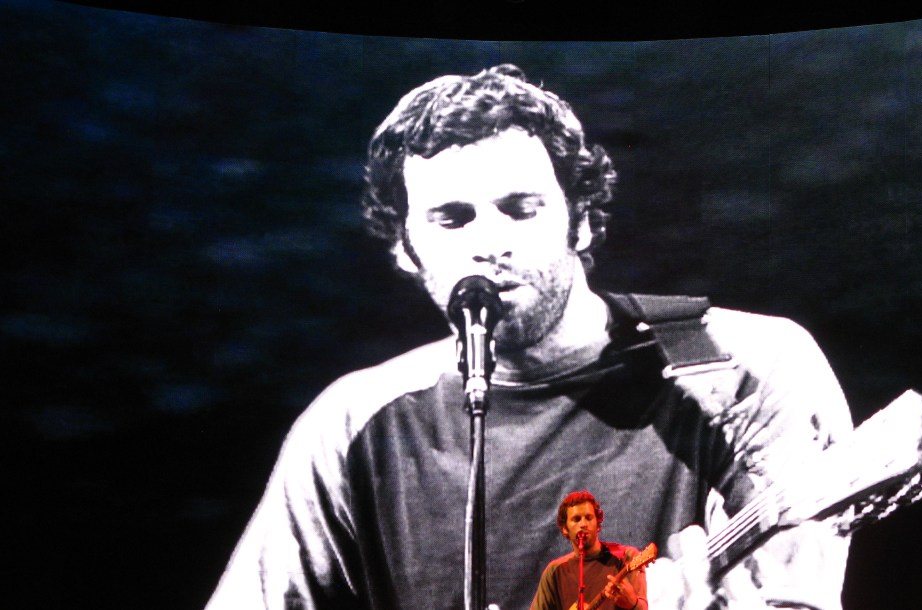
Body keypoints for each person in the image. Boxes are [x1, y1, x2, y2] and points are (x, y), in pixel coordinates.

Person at [206, 64, 855, 610]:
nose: (490, 243)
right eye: (452, 219)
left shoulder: (741, 364)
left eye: (520, 209)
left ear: (580, 222)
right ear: (407, 250)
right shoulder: (352, 421)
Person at [530, 491, 647, 610]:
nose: (583, 524)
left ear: (597, 524)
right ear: (565, 529)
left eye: (588, 518)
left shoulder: (626, 556)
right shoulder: (555, 570)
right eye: (576, 519)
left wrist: (633, 604)